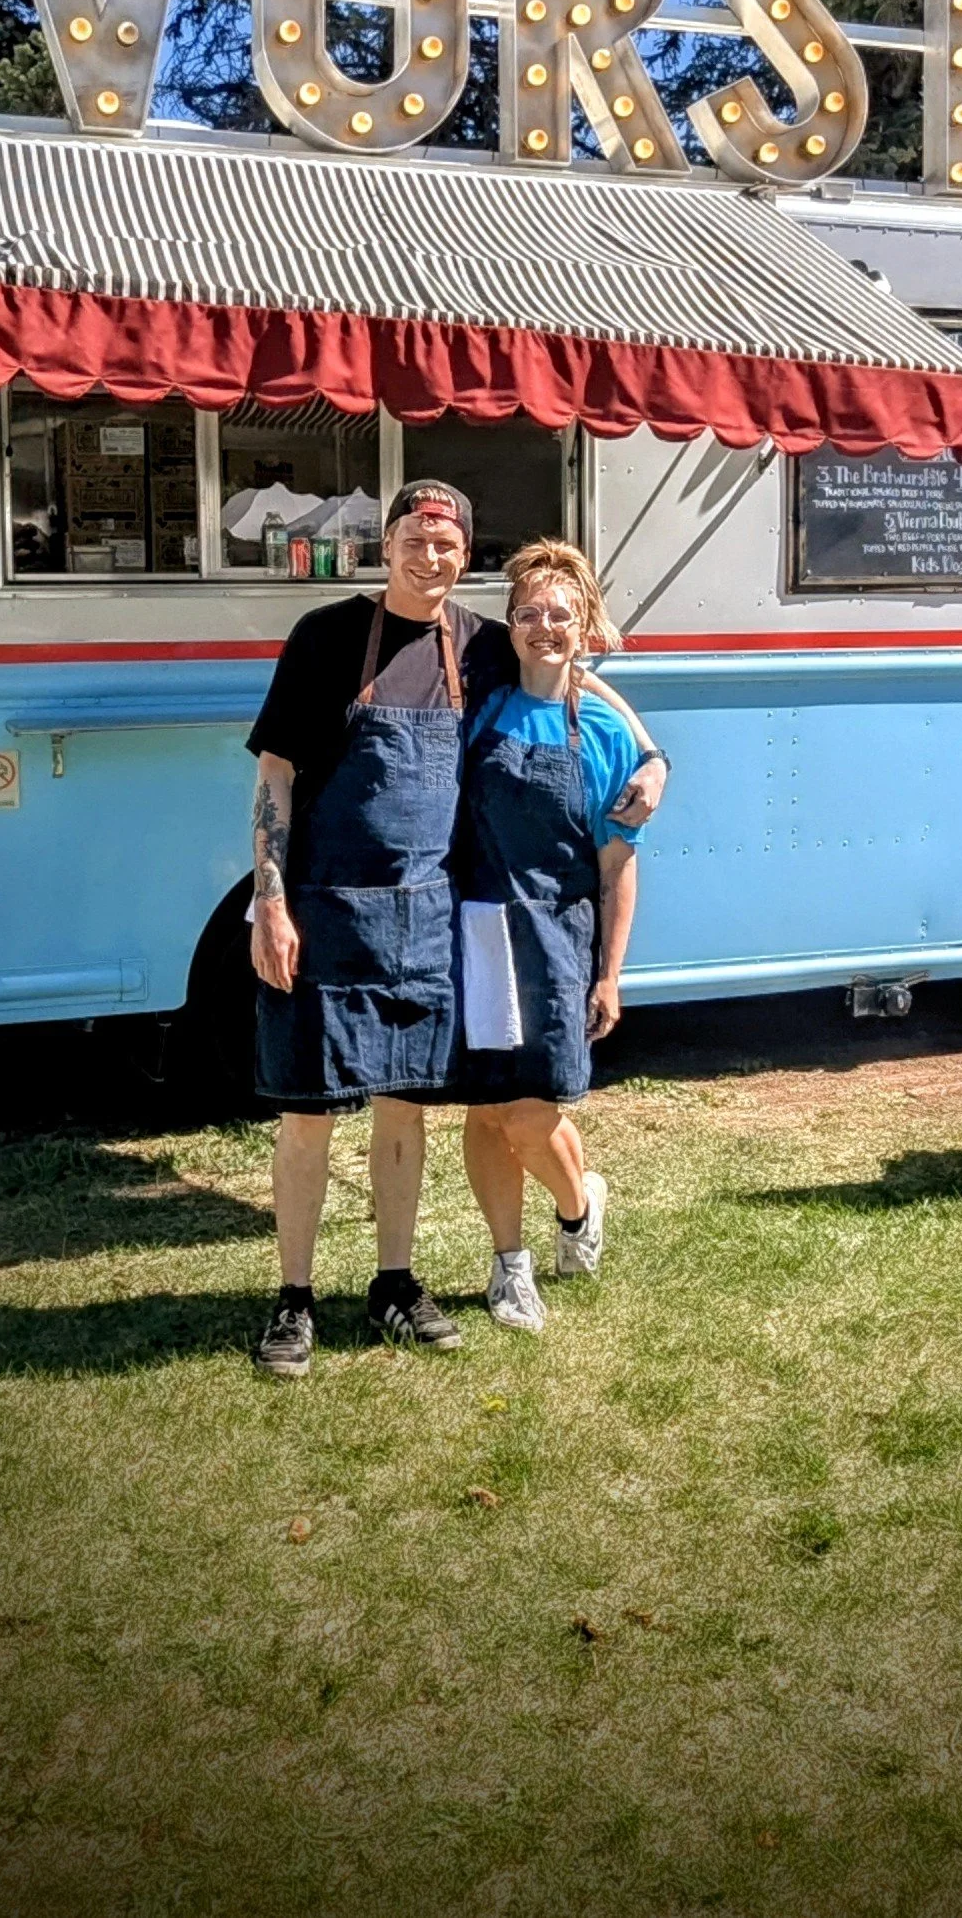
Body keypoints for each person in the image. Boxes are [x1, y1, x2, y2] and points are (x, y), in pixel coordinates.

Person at [246, 483, 666, 1378]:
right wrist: (271, 901)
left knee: (404, 1115)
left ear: (462, 554)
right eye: (413, 538)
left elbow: (575, 672)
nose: (428, 556)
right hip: (323, 910)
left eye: (445, 543)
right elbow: (276, 771)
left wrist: (655, 758)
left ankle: (393, 1283)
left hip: (427, 921)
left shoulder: (476, 643)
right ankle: (293, 1300)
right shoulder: (324, 636)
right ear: (384, 544)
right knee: (307, 1120)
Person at [456, 539, 644, 1335]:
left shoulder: (602, 730)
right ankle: (509, 1268)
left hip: (560, 938)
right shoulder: (482, 703)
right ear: (508, 624)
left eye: (560, 615)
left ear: (586, 626)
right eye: (528, 613)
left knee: (531, 1113)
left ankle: (578, 1206)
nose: (543, 626)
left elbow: (617, 865)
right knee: (484, 1110)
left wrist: (610, 974)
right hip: (479, 925)